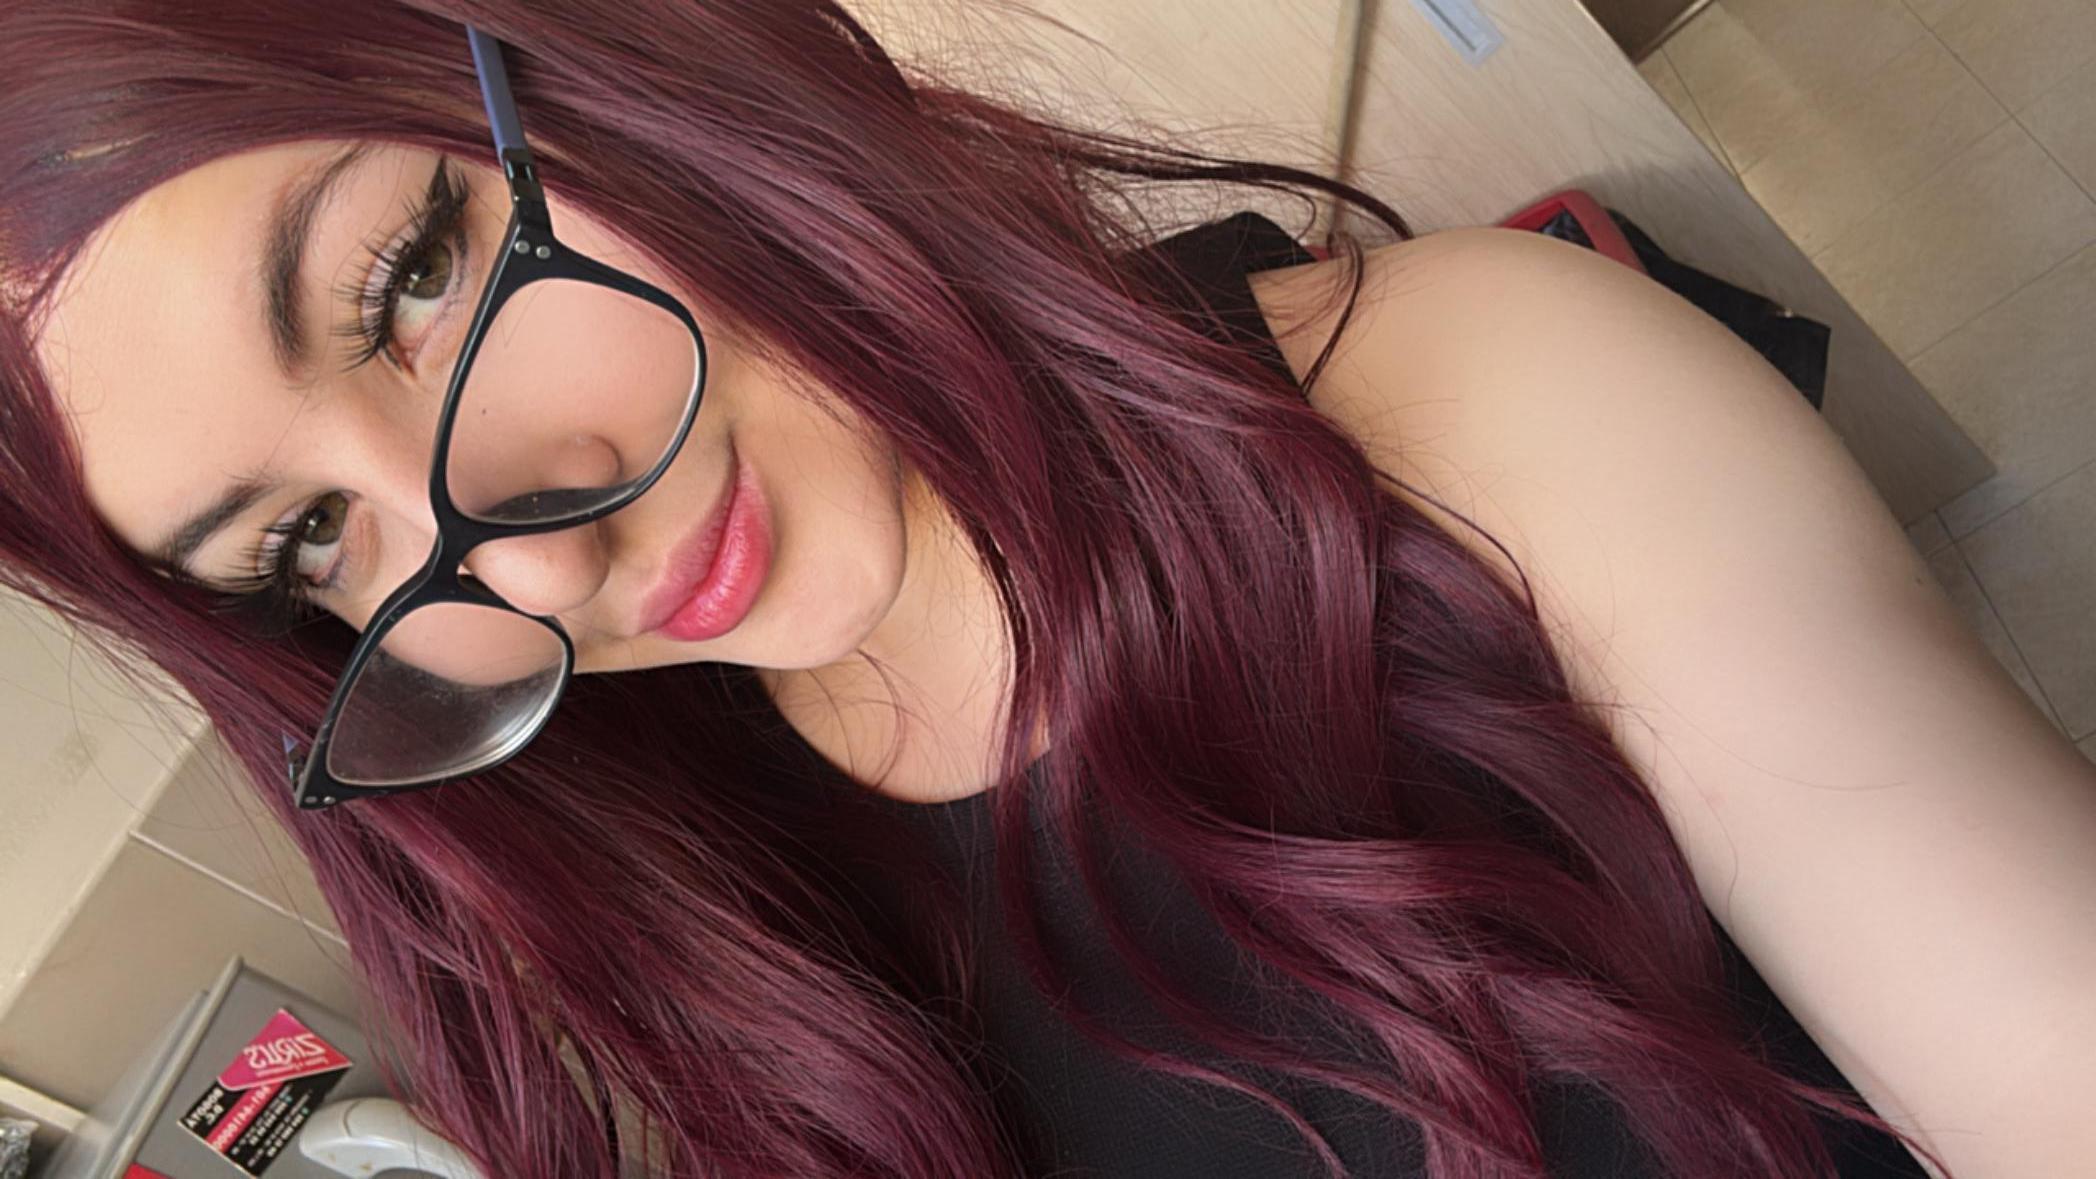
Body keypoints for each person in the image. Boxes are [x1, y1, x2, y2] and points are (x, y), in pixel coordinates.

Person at [8, 2, 2082, 1177]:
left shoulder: (1478, 413)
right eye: (305, 541)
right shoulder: (709, 884)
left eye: (416, 275)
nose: (540, 566)